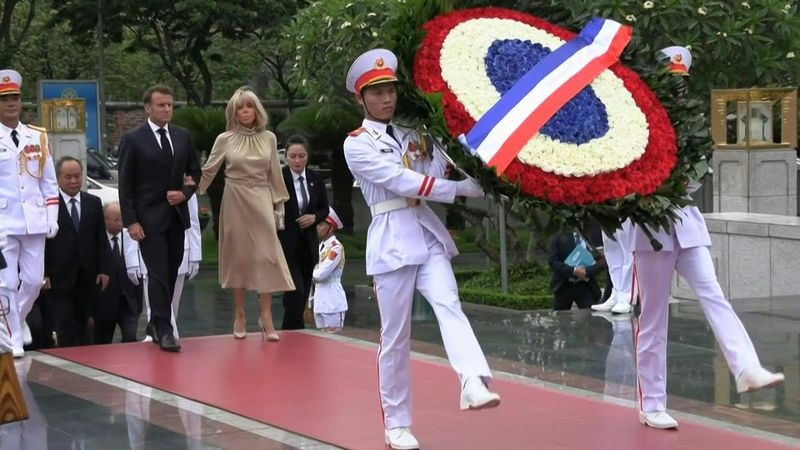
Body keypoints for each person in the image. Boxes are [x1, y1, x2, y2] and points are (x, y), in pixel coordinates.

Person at [344, 48, 500, 450]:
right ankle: (396, 423)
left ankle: (471, 380)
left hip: (425, 231)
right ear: (361, 99)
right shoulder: (357, 144)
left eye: (390, 90)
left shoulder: (415, 134)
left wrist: (460, 159)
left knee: (449, 304)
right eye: (377, 92)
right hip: (392, 237)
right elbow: (402, 182)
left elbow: (430, 172)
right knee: (395, 336)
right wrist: (462, 189)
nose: (387, 98)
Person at [632, 182, 784, 429]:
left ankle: (747, 368)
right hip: (649, 234)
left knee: (714, 296)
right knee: (653, 319)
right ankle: (652, 405)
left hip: (687, 227)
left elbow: (694, 177)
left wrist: (678, 181)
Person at [198, 87, 294, 342]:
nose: (245, 111)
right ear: (233, 112)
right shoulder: (224, 139)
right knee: (238, 256)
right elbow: (208, 171)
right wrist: (189, 192)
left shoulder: (269, 139)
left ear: (256, 110)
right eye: (240, 107)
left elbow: (275, 172)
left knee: (266, 256)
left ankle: (266, 316)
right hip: (235, 199)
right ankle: (239, 315)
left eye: (249, 106)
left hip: (261, 198)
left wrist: (279, 207)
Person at [117, 84, 201, 352]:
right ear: (147, 108)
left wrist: (185, 193)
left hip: (176, 217)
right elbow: (125, 185)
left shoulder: (182, 136)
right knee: (157, 274)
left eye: (170, 105)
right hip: (148, 219)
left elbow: (195, 173)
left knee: (170, 269)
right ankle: (164, 329)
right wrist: (131, 221)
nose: (167, 109)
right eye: (161, 104)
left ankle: (155, 323)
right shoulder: (134, 139)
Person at [0, 69, 59, 357]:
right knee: (7, 283)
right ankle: (13, 337)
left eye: (15, 97)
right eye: (5, 99)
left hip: (35, 222)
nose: (12, 103)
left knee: (34, 282)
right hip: (3, 223)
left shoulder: (37, 136)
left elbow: (49, 183)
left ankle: (12, 322)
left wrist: (53, 218)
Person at [43, 157, 111, 346]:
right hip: (59, 277)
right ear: (58, 178)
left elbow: (101, 240)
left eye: (77, 176)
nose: (73, 181)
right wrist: (44, 273)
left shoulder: (93, 203)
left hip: (87, 277)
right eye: (68, 177)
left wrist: (103, 269)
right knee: (65, 327)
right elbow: (42, 242)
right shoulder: (49, 205)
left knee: (85, 325)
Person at [278, 135, 329, 330]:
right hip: (285, 241)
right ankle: (291, 329)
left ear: (307, 156)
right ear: (286, 157)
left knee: (305, 288)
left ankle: (295, 329)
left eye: (301, 156)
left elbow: (324, 208)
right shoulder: (279, 178)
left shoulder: (315, 178)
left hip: (307, 242)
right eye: (293, 156)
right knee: (295, 289)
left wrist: (314, 217)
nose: (297, 161)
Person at [138, 191, 201, 341]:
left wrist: (195, 255)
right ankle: (161, 334)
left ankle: (163, 333)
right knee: (155, 301)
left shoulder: (184, 185)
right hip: (151, 249)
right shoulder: (146, 182)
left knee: (172, 304)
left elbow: (192, 221)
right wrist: (131, 260)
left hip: (178, 250)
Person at [94, 202, 142, 344]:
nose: (120, 223)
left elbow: (138, 273)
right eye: (115, 220)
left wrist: (138, 306)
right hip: (105, 305)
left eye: (122, 219)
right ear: (104, 220)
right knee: (102, 342)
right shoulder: (97, 241)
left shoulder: (131, 239)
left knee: (131, 337)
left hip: (127, 302)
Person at [548, 229, 606, 311]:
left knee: (592, 317)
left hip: (586, 285)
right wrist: (574, 271)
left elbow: (603, 261)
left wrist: (586, 272)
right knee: (560, 319)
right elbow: (552, 261)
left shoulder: (591, 237)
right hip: (563, 285)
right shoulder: (558, 236)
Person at [309, 208, 347, 333]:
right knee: (321, 344)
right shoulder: (320, 246)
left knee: (334, 343)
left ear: (330, 228)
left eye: (321, 225)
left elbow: (320, 275)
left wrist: (308, 271)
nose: (317, 228)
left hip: (333, 301)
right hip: (319, 301)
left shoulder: (335, 247)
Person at [591, 219, 634, 314]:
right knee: (611, 248)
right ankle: (617, 292)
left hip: (624, 210)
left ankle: (626, 295)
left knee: (627, 249)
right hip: (607, 209)